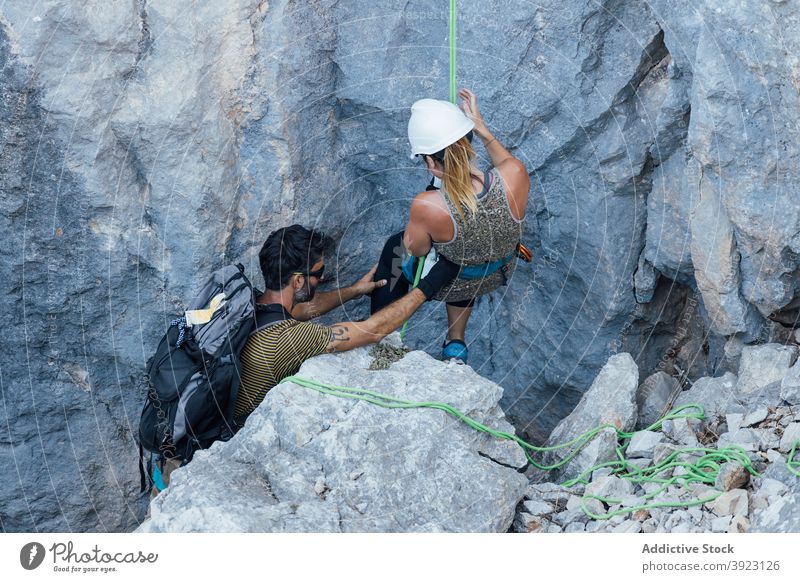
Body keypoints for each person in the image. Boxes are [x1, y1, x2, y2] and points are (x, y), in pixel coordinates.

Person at [232, 224, 460, 427]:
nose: (321, 279)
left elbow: (301, 309)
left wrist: (354, 290)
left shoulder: (250, 302)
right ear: (298, 280)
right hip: (238, 429)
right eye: (319, 272)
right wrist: (429, 285)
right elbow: (373, 330)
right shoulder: (290, 339)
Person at [370, 88, 531, 364]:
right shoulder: (515, 174)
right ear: (469, 143)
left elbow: (418, 251)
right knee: (468, 251)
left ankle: (383, 337)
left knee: (395, 249)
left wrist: (417, 231)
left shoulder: (429, 205)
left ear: (431, 161)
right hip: (496, 270)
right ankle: (455, 343)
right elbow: (505, 161)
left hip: (453, 280)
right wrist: (480, 128)